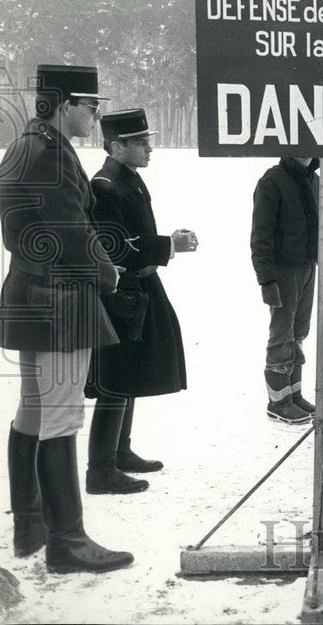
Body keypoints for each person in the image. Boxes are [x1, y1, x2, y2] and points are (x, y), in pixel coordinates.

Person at [0, 64, 133, 573]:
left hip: (31, 291)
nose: (96, 114)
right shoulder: (51, 152)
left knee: (32, 411)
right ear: (64, 104)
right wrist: (106, 273)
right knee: (61, 417)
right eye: (90, 105)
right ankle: (67, 541)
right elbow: (71, 230)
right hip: (61, 299)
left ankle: (30, 524)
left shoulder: (21, 145)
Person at [84, 109, 197, 494]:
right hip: (123, 291)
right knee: (115, 378)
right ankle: (100, 469)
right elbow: (114, 246)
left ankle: (120, 451)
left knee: (129, 372)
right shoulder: (105, 185)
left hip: (139, 287)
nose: (150, 148)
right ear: (117, 146)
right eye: (141, 142)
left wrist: (165, 244)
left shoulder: (125, 179)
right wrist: (169, 245)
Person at [251, 156, 319, 424]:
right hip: (283, 269)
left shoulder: (315, 180)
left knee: (298, 332)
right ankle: (278, 402)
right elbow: (261, 234)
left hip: (307, 266)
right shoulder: (272, 181)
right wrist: (267, 279)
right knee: (282, 333)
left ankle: (294, 394)